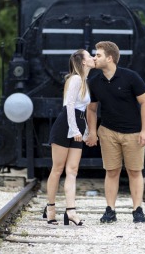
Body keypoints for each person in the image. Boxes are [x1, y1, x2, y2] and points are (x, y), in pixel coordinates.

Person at [86, 41, 145, 223]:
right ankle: (110, 210)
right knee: (112, 171)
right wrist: (92, 132)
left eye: (98, 55)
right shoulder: (94, 82)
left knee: (134, 171)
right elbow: (91, 110)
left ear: (110, 58)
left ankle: (137, 210)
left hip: (133, 133)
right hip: (108, 132)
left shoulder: (130, 77)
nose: (94, 58)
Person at [44, 49, 95, 226]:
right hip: (65, 124)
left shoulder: (85, 81)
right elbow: (70, 106)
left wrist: (86, 130)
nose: (93, 58)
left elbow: (83, 110)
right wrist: (74, 130)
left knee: (72, 170)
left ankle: (71, 212)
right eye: (89, 56)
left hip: (77, 124)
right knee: (57, 169)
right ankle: (50, 208)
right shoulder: (74, 79)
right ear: (82, 62)